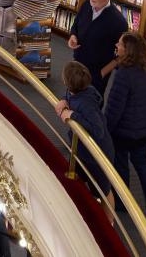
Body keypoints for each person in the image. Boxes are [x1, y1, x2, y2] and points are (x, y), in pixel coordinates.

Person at [104, 33, 146, 220]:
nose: (116, 45)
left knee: (121, 163)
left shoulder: (124, 74)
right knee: (142, 163)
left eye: (120, 44)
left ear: (128, 50)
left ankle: (122, 201)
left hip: (125, 130)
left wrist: (105, 129)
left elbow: (114, 107)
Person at [54, 61, 115, 213]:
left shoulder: (85, 103)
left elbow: (98, 130)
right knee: (74, 177)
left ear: (65, 81)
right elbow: (72, 95)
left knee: (103, 191)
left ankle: (110, 224)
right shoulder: (84, 90)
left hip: (97, 155)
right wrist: (64, 99)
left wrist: (72, 115)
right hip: (82, 151)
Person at [66, 0, 128, 95]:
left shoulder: (118, 22)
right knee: (73, 96)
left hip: (97, 70)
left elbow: (122, 54)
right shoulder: (86, 4)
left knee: (92, 102)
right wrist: (73, 37)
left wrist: (103, 72)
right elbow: (76, 24)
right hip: (78, 63)